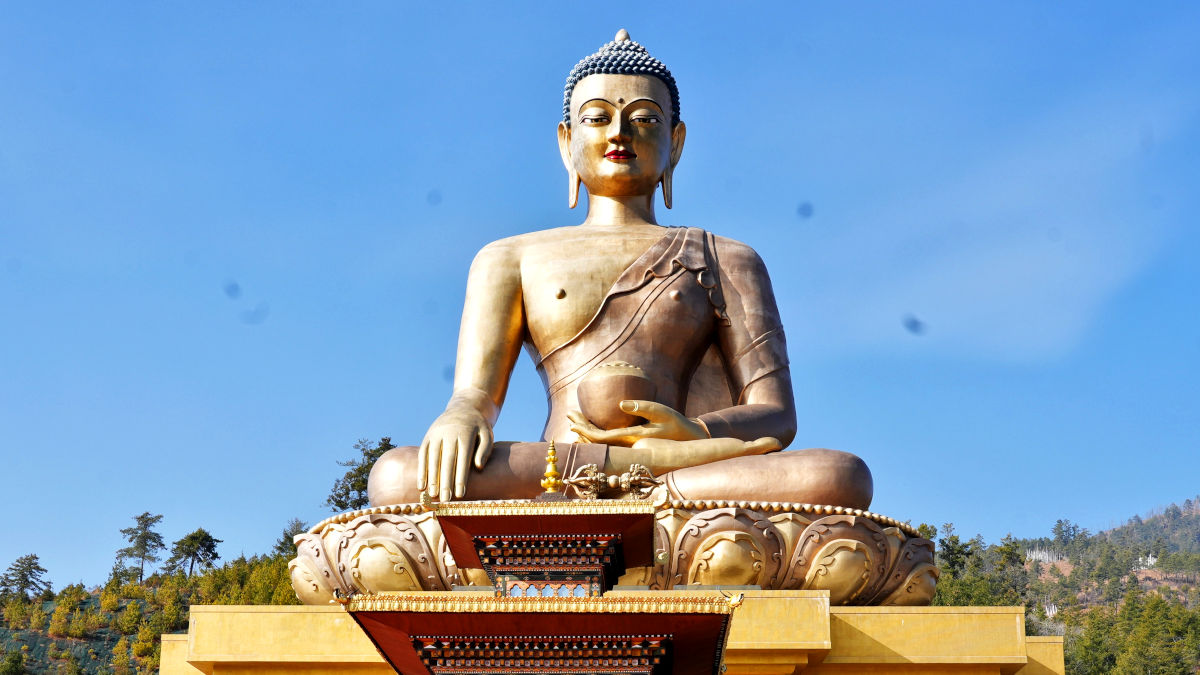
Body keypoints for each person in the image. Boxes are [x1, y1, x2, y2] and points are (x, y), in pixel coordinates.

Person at [367, 31, 872, 508]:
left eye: (645, 119)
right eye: (597, 117)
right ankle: (652, 499)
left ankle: (639, 491)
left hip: (683, 464)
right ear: (567, 142)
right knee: (397, 477)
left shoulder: (727, 258)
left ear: (675, 143)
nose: (619, 133)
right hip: (558, 468)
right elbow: (474, 396)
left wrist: (694, 436)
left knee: (837, 476)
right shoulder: (509, 257)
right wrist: (461, 415)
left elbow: (776, 414)